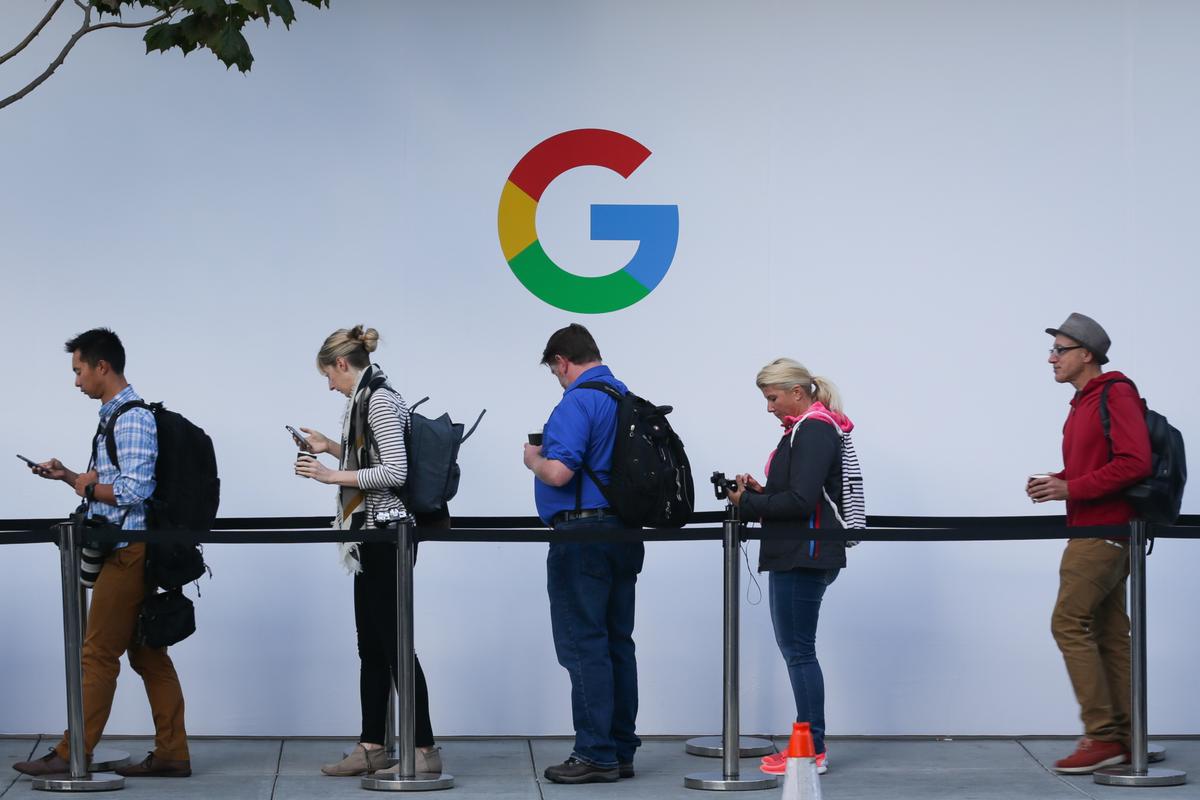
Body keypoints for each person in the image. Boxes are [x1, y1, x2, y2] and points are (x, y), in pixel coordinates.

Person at [15, 328, 191, 779]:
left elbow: (134, 489)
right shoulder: (114, 415)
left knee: (96, 654)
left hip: (127, 551)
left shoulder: (131, 417)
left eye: (79, 371)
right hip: (126, 546)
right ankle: (172, 753)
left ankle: (73, 751)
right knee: (148, 654)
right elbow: (109, 483)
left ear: (102, 367)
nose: (76, 382)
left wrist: (83, 483)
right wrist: (69, 475)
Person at [294, 325, 444, 777]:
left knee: (395, 645)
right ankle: (372, 745)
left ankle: (424, 750)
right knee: (372, 646)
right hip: (371, 536)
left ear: (343, 364)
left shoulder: (376, 398)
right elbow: (374, 456)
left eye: (329, 375)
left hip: (387, 534)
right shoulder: (367, 398)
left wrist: (329, 475)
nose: (329, 385)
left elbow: (394, 471)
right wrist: (332, 448)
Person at [1027, 313, 1151, 774]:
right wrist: (1058, 480)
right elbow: (1102, 464)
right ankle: (1125, 735)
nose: (1051, 358)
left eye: (1060, 350)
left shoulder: (1114, 392)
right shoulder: (1082, 403)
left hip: (1105, 531)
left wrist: (1070, 490)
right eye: (1053, 349)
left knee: (1068, 622)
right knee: (1111, 634)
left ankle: (1101, 736)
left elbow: (1134, 462)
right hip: (1098, 528)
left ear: (1087, 355)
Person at [522, 323, 642, 784]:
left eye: (555, 370)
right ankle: (620, 749)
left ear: (562, 362)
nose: (558, 377)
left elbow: (558, 473)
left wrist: (532, 457)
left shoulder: (578, 400)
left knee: (583, 644)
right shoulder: (623, 395)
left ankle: (594, 753)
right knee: (617, 642)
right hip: (623, 533)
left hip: (581, 536)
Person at [724, 358, 853, 777]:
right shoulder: (808, 428)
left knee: (799, 652)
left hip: (805, 554)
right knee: (798, 651)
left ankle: (812, 749)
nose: (769, 407)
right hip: (801, 551)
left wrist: (750, 502)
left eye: (772, 397)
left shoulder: (814, 429)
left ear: (797, 392)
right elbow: (800, 494)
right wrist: (762, 493)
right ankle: (809, 744)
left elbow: (801, 502)